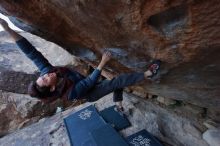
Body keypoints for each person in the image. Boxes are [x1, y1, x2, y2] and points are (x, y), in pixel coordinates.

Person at [0, 18, 161, 111]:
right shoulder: (69, 94)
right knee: (116, 82)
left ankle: (118, 105)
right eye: (46, 79)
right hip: (91, 93)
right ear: (52, 88)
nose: (46, 74)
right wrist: (102, 62)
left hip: (88, 83)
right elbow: (88, 83)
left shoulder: (49, 72)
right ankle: (148, 74)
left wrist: (8, 28)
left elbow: (31, 53)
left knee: (115, 82)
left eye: (42, 76)